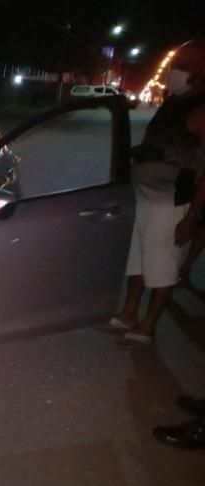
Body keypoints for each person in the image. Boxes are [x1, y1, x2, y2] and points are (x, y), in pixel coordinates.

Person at [105, 40, 205, 348]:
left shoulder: (201, 109)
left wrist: (191, 217)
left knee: (162, 266)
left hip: (171, 201)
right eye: (176, 62)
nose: (175, 70)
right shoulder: (175, 101)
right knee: (138, 259)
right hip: (144, 194)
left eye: (184, 66)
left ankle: (148, 327)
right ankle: (129, 313)